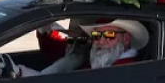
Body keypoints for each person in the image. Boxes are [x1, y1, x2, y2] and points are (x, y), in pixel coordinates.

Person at [17, 18, 149, 77]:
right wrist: (46, 27)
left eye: (109, 35)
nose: (101, 41)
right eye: (97, 35)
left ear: (125, 39)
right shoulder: (94, 54)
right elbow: (56, 51)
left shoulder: (125, 70)